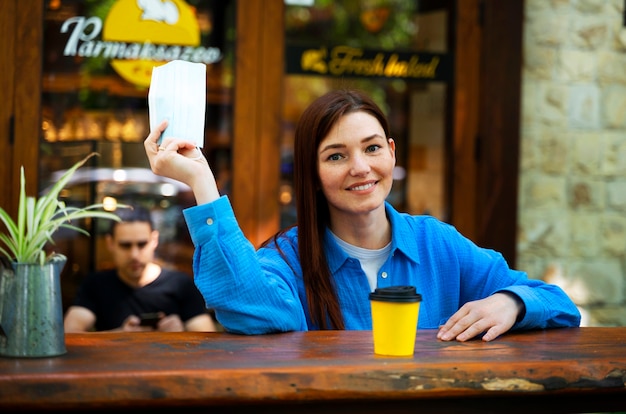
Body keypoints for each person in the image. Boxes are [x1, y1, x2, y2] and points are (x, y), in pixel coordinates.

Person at [144, 89, 580, 341]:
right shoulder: (289, 257)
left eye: (372, 148)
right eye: (336, 156)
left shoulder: (438, 243)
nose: (360, 167)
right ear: (312, 175)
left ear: (391, 153)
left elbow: (560, 305)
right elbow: (252, 308)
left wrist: (511, 302)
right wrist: (202, 183)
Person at [64, 205, 217, 332]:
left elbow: (207, 337)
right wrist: (121, 336)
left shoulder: (181, 284)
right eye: (125, 245)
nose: (134, 254)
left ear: (154, 240)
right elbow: (70, 333)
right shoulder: (96, 285)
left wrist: (179, 332)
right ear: (110, 243)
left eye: (141, 244)